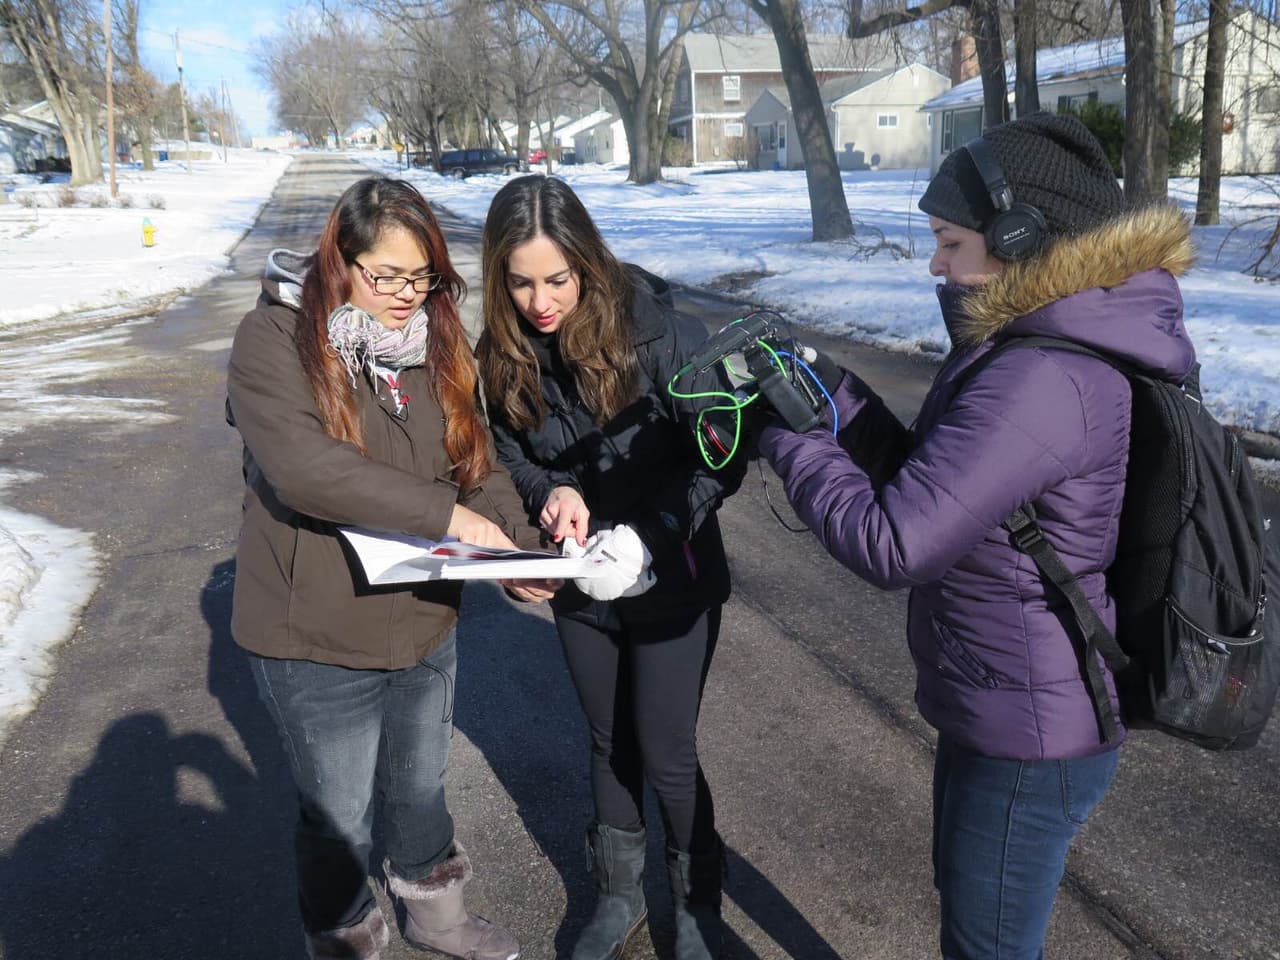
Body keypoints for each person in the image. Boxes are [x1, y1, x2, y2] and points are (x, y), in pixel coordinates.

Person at [758, 113, 1196, 959]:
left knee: (987, 946)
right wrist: (834, 393)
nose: (935, 263)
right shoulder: (1038, 343)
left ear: (1021, 235)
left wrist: (787, 439)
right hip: (1003, 700)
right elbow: (938, 480)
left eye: (949, 241)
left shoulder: (1045, 374)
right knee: (976, 921)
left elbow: (897, 543)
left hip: (1029, 730)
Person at [226, 176, 556, 960]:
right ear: (340, 263)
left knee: (418, 789)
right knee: (337, 813)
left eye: (424, 277)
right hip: (314, 635)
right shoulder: (272, 341)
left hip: (423, 622)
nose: (408, 295)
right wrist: (451, 519)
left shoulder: (434, 347)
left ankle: (436, 920)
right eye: (387, 276)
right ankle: (344, 936)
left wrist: (510, 546)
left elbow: (477, 467)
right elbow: (305, 469)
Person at [475, 174, 745, 960]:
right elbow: (509, 452)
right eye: (519, 282)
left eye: (556, 279)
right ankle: (619, 892)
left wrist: (650, 537)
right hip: (580, 581)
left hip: (673, 573)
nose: (539, 301)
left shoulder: (660, 330)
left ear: (588, 261)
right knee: (607, 741)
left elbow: (718, 458)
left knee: (665, 746)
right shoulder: (504, 349)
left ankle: (696, 901)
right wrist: (551, 490)